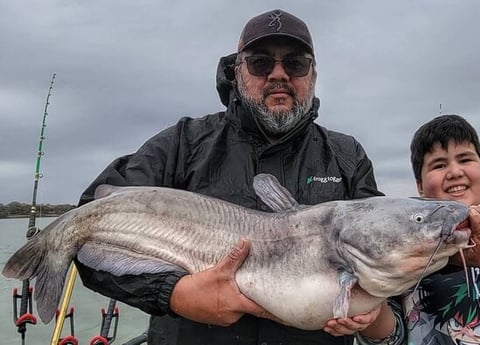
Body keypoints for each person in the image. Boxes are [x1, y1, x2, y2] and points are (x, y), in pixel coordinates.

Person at [75, 9, 406, 345]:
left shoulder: (347, 156)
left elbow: (388, 295)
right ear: (236, 71)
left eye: (295, 64)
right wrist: (173, 294)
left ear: (313, 74)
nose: (279, 75)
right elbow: (84, 227)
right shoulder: (182, 144)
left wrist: (374, 313)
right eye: (261, 63)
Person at [402, 114, 480, 345]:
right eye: (439, 165)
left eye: (465, 159)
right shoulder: (404, 249)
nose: (454, 172)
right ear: (420, 186)